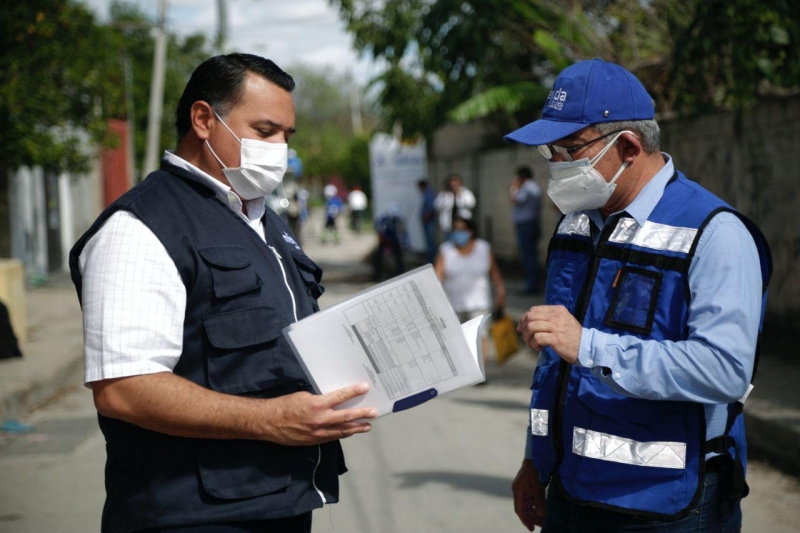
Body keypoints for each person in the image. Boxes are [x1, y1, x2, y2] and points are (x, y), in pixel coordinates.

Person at [68, 53, 377, 533]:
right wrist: (270, 419)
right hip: (192, 515)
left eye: (286, 136)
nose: (279, 149)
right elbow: (124, 389)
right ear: (203, 120)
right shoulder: (140, 228)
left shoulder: (263, 222)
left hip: (280, 501)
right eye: (265, 130)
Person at [504, 58, 772, 532]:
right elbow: (554, 367)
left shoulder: (716, 234)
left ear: (627, 146)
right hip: (570, 493)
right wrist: (535, 458)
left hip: (669, 507)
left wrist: (589, 345)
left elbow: (725, 371)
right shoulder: (576, 227)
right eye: (550, 152)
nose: (556, 166)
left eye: (568, 150)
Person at [435, 217, 506, 331]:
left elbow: (495, 274)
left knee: (480, 342)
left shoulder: (483, 248)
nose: (458, 233)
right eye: (455, 229)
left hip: (479, 306)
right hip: (454, 307)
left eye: (462, 229)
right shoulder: (446, 250)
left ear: (471, 231)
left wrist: (500, 293)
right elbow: (438, 278)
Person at [510, 166, 542, 294]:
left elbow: (515, 200)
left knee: (529, 256)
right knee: (530, 255)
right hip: (529, 225)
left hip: (527, 226)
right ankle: (532, 283)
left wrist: (513, 187)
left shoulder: (528, 188)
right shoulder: (532, 187)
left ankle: (531, 285)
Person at [433, 173, 476, 239]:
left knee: (462, 241)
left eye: (456, 183)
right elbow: (436, 206)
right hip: (449, 224)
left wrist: (459, 195)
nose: (454, 185)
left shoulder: (465, 192)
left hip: (462, 223)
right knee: (449, 242)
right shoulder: (444, 194)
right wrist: (445, 196)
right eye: (452, 183)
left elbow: (471, 203)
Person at [373, 204, 407, 280]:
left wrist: (404, 243)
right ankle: (378, 275)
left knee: (399, 257)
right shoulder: (384, 219)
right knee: (378, 256)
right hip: (385, 239)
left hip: (395, 240)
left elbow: (403, 232)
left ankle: (400, 274)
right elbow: (378, 228)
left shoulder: (400, 219)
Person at [417, 179, 438, 264]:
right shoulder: (427, 193)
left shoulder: (428, 194)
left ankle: (432, 260)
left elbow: (430, 208)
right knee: (429, 242)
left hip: (429, 221)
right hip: (428, 221)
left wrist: (425, 218)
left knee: (430, 242)